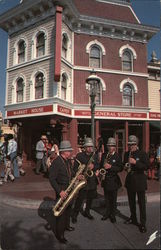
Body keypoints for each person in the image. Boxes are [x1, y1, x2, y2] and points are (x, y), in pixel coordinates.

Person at [49, 140, 74, 244]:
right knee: (61, 213)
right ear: (64, 152)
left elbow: (69, 173)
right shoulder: (56, 162)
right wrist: (60, 191)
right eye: (69, 151)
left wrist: (76, 177)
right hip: (62, 189)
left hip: (68, 187)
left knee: (68, 209)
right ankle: (60, 234)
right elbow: (52, 179)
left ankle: (67, 226)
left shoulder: (67, 161)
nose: (70, 153)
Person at [124, 135, 149, 233]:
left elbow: (146, 166)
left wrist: (135, 162)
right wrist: (126, 166)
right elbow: (124, 164)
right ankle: (133, 218)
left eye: (133, 144)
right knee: (131, 202)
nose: (131, 146)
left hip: (139, 181)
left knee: (142, 203)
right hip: (130, 180)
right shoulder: (127, 154)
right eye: (129, 144)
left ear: (136, 144)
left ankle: (142, 224)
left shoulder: (142, 153)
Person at [71, 137, 98, 224]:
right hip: (83, 181)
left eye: (91, 146)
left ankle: (87, 212)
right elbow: (74, 168)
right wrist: (78, 175)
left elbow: (98, 165)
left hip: (92, 180)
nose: (90, 148)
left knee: (90, 199)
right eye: (88, 146)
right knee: (80, 199)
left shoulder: (95, 155)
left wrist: (94, 167)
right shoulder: (79, 156)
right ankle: (75, 215)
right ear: (85, 147)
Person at [99, 137, 123, 223]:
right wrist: (101, 171)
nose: (110, 147)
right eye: (109, 146)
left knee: (113, 199)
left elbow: (120, 168)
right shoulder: (104, 154)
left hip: (113, 180)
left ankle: (113, 215)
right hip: (105, 180)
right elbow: (101, 165)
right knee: (107, 198)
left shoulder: (117, 156)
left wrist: (111, 167)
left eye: (112, 146)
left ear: (115, 147)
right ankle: (107, 213)